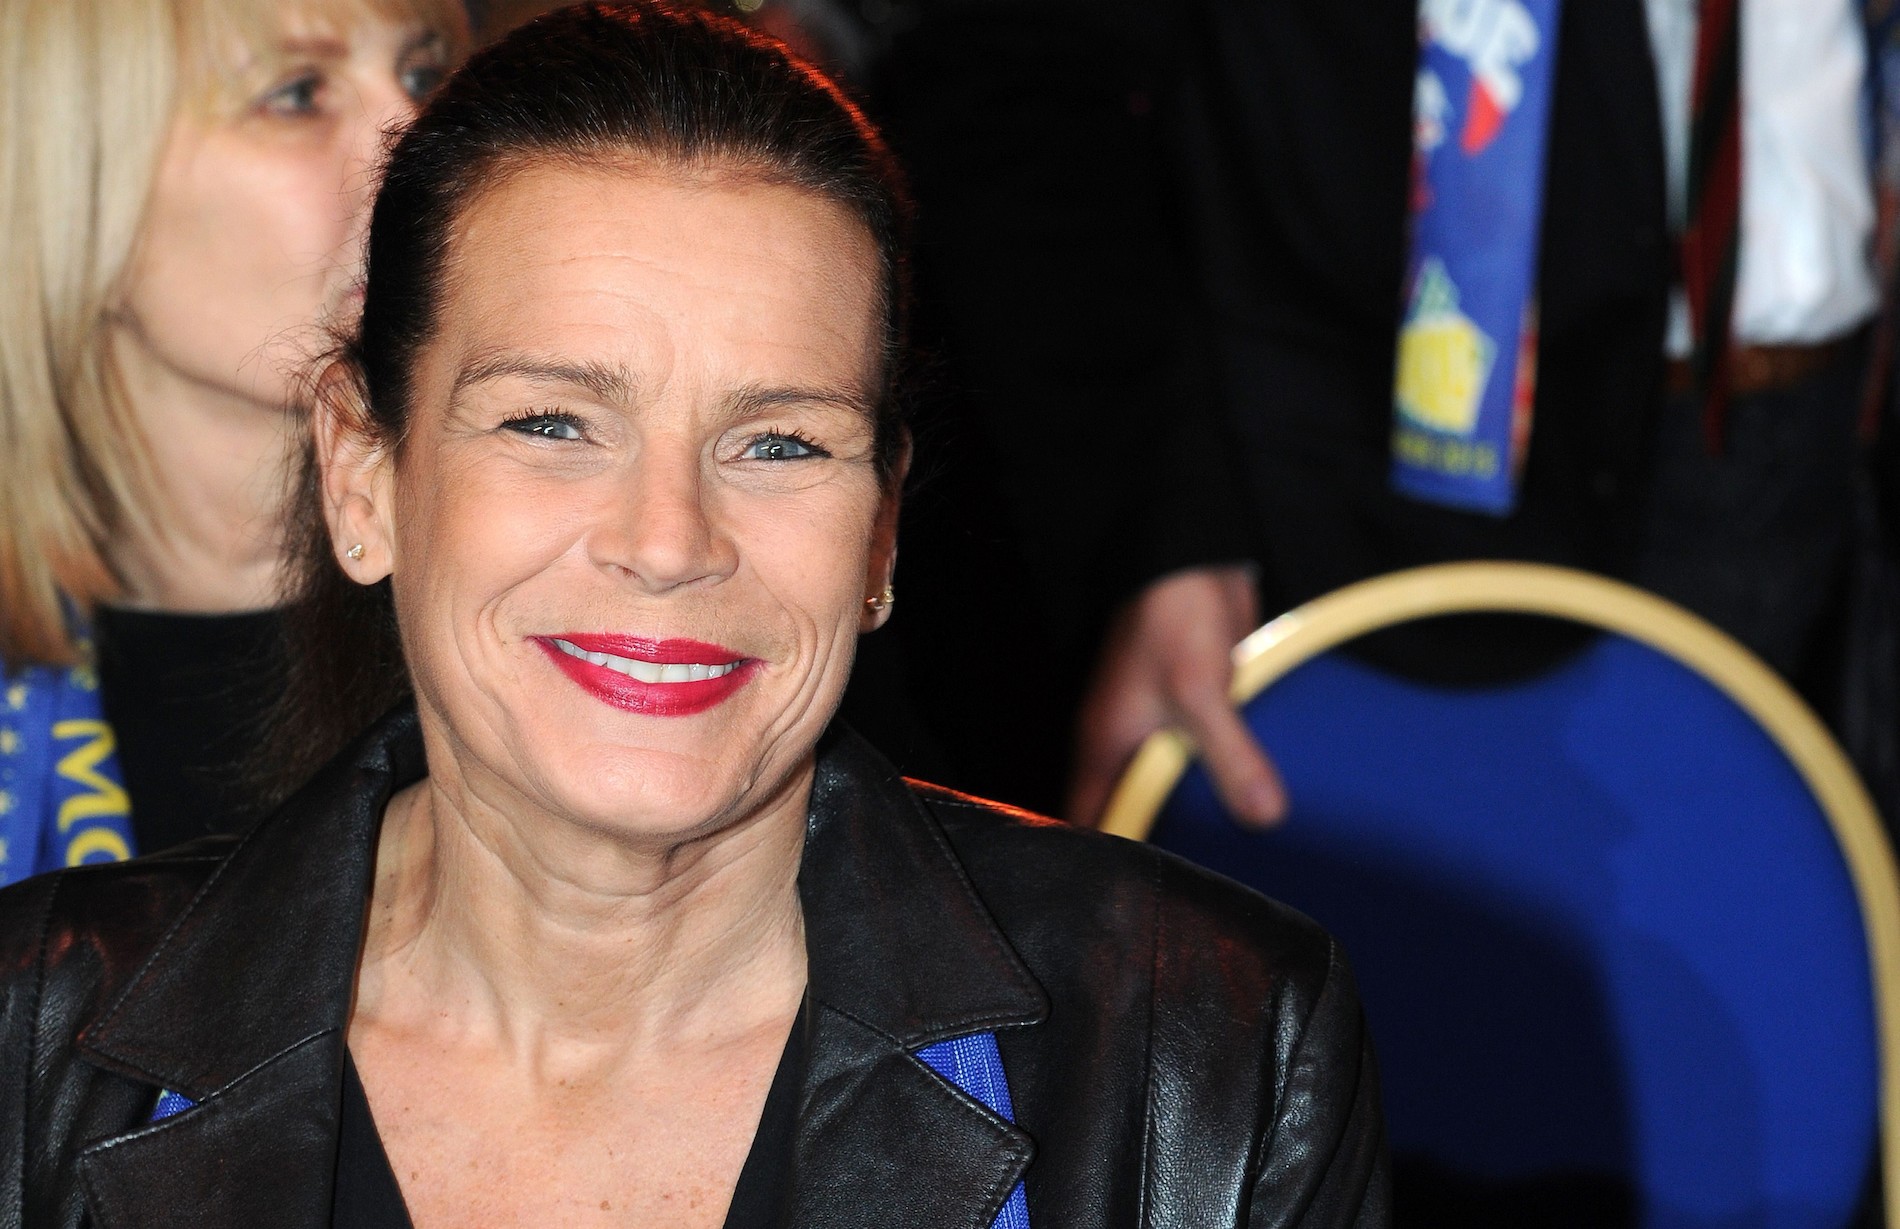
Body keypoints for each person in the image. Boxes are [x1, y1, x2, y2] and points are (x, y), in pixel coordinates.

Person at [0, 5, 1389, 1226]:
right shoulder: (29, 1046)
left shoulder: (1208, 1054)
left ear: (880, 531)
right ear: (363, 475)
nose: (668, 542)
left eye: (779, 442)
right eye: (553, 422)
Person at [1067, 0, 1891, 830]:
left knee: (1754, 857)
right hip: (1425, 438)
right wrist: (1173, 530)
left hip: (1834, 398)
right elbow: (1050, 71)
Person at [0, 0, 465, 882]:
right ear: (71, 196)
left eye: (422, 72)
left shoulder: (542, 603)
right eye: (297, 94)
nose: (417, 138)